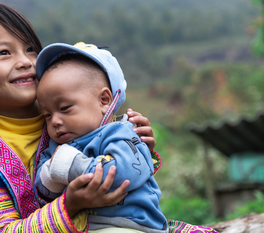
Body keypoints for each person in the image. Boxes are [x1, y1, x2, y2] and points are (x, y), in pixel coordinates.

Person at [0, 2, 158, 232]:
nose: (25, 61)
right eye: (4, 53)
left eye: (30, 49)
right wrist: (69, 206)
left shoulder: (69, 116)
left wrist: (139, 145)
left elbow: (120, 170)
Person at [34, 42, 167, 232]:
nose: (54, 121)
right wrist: (50, 174)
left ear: (104, 100)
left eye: (64, 108)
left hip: (131, 224)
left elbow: (124, 172)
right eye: (47, 115)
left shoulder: (121, 132)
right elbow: (43, 190)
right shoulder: (56, 145)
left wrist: (70, 165)